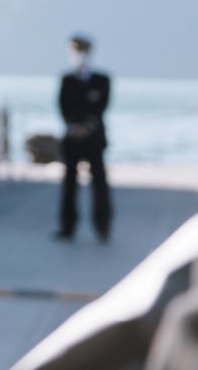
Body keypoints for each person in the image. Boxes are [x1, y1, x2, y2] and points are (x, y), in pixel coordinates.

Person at [58, 33, 115, 243]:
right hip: (72, 138)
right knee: (69, 183)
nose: (79, 55)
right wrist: (73, 126)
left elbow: (102, 107)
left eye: (82, 51)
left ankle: (103, 226)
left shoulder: (102, 80)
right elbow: (62, 106)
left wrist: (87, 127)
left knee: (99, 182)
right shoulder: (67, 79)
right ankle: (67, 227)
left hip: (94, 138)